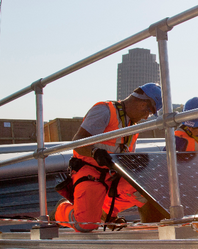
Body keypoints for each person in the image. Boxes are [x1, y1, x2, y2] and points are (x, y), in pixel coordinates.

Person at [51, 82, 162, 232]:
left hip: (112, 176)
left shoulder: (133, 128)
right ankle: (60, 211)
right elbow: (78, 143)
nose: (146, 117)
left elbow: (125, 158)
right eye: (149, 111)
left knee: (148, 189)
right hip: (90, 172)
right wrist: (94, 153)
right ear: (143, 103)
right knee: (86, 225)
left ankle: (106, 214)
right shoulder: (105, 110)